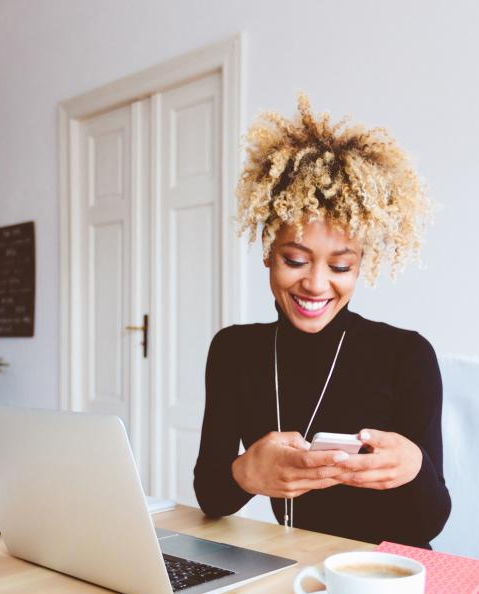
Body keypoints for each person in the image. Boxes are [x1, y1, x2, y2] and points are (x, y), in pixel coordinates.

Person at [193, 95, 450, 548]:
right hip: (291, 564)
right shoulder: (234, 351)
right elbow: (211, 496)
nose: (315, 284)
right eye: (295, 259)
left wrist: (414, 467)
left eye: (339, 267)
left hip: (385, 577)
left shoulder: (407, 355)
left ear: (360, 266)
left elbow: (429, 523)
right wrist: (244, 471)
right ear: (269, 252)